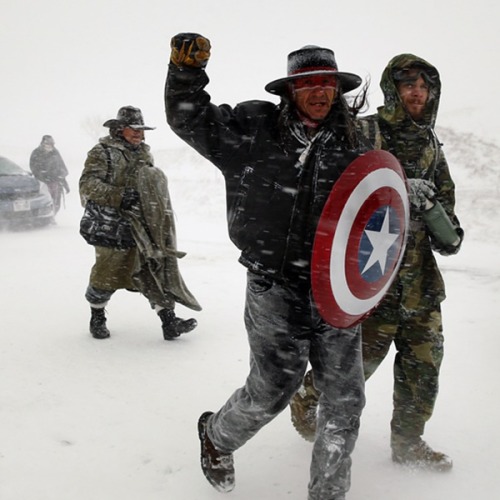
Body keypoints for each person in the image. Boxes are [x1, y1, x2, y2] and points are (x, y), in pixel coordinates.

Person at [166, 33, 370, 500]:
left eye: (327, 82)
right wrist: (185, 76)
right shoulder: (254, 129)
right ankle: (217, 437)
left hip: (337, 289)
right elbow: (191, 120)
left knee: (345, 402)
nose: (320, 91)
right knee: (273, 390)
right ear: (290, 90)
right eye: (308, 82)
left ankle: (328, 494)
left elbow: (375, 204)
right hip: (274, 286)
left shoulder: (354, 142)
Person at [289, 54, 464, 472]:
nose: (417, 91)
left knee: (423, 368)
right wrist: (396, 186)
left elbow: (451, 235)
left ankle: (408, 442)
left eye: (424, 85)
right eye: (408, 84)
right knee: (354, 371)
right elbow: (331, 193)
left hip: (420, 285)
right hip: (368, 281)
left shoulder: (432, 148)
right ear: (392, 89)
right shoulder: (363, 131)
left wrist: (431, 207)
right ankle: (307, 397)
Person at [79, 105, 201, 340]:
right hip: (110, 225)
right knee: (107, 274)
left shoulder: (144, 153)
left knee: (151, 270)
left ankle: (169, 322)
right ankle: (97, 316)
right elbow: (88, 185)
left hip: (142, 226)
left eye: (141, 129)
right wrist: (120, 195)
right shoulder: (102, 152)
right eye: (133, 129)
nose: (139, 134)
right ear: (119, 129)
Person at [30, 134, 70, 213]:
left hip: (56, 181)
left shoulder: (55, 152)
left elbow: (61, 166)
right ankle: (45, 217)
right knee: (45, 201)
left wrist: (64, 182)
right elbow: (33, 167)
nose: (49, 146)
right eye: (47, 144)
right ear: (42, 143)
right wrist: (42, 176)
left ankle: (53, 215)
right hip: (42, 182)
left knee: (56, 201)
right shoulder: (36, 153)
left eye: (51, 144)